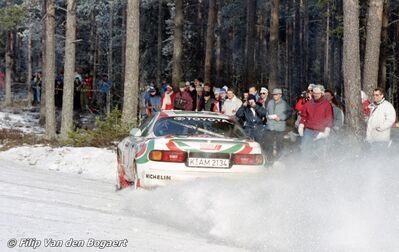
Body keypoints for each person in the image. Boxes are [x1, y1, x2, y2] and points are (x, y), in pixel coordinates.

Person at [298, 85, 333, 155]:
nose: (316, 95)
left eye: (318, 93)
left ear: (321, 93)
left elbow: (329, 118)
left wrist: (327, 130)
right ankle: (304, 163)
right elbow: (304, 116)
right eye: (314, 93)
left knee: (319, 150)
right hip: (309, 130)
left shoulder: (326, 104)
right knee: (305, 147)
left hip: (320, 131)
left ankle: (319, 164)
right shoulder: (308, 104)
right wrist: (301, 125)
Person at [264, 88, 292, 159]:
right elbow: (266, 111)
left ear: (280, 95)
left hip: (279, 128)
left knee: (279, 145)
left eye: (276, 95)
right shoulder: (270, 102)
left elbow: (290, 112)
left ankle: (279, 159)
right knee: (269, 144)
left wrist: (281, 117)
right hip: (270, 127)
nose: (274, 96)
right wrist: (267, 117)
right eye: (273, 95)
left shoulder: (284, 104)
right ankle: (270, 159)